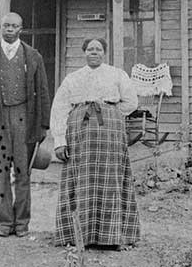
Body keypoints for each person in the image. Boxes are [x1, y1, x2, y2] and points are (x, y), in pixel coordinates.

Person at [50, 38, 140, 249]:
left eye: (98, 49)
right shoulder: (73, 78)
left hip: (109, 134)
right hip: (80, 134)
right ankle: (77, 236)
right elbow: (59, 108)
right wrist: (60, 141)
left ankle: (112, 237)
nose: (94, 52)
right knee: (81, 179)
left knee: (111, 180)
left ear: (104, 53)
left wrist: (112, 113)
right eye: (90, 49)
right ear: (84, 52)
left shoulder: (117, 74)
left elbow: (131, 102)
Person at [0, 12, 51, 237]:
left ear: (20, 29)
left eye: (14, 26)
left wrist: (44, 124)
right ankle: (4, 223)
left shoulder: (33, 57)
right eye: (6, 25)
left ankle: (22, 223)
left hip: (24, 119)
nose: (9, 29)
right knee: (1, 172)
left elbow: (43, 91)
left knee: (23, 173)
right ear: (0, 28)